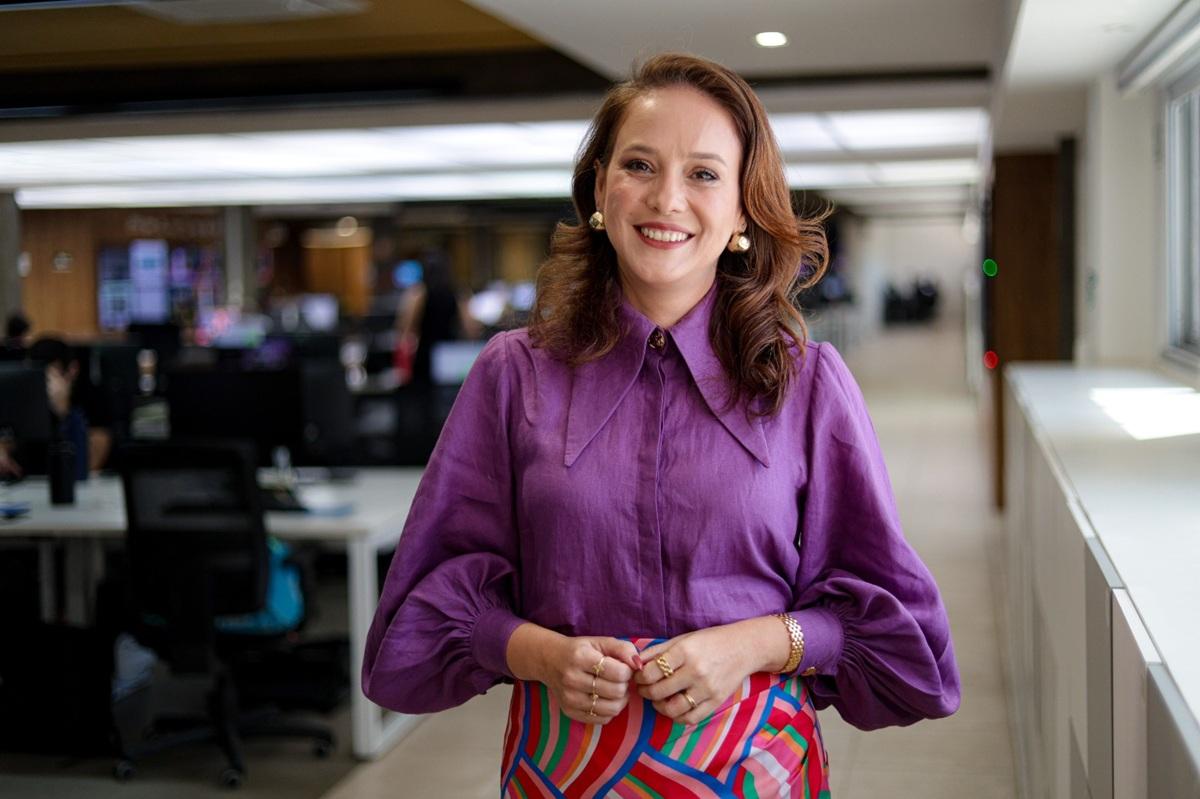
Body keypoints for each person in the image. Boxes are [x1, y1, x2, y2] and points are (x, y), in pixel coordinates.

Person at [363, 53, 960, 796]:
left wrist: (758, 642)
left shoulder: (807, 382)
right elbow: (424, 608)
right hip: (566, 774)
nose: (666, 198)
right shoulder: (513, 374)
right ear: (599, 189)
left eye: (704, 174)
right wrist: (541, 654)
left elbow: (900, 631)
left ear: (742, 211)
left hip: (755, 774)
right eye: (639, 165)